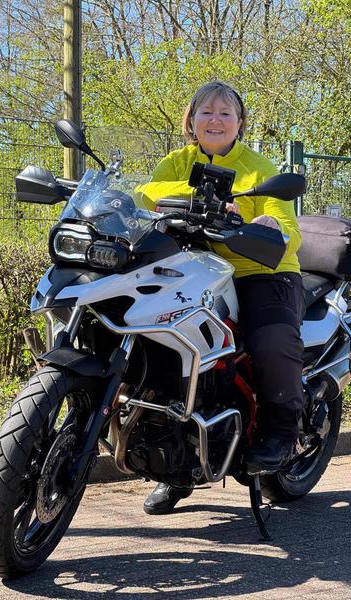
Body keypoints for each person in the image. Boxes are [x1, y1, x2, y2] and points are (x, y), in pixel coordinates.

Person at [137, 81, 305, 515]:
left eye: (225, 113)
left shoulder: (257, 168)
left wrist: (269, 226)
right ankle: (175, 466)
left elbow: (290, 231)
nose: (215, 120)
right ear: (191, 121)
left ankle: (281, 431)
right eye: (206, 112)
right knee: (165, 351)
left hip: (259, 272)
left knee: (270, 340)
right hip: (195, 271)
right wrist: (197, 197)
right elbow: (145, 195)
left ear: (240, 122)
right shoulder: (176, 162)